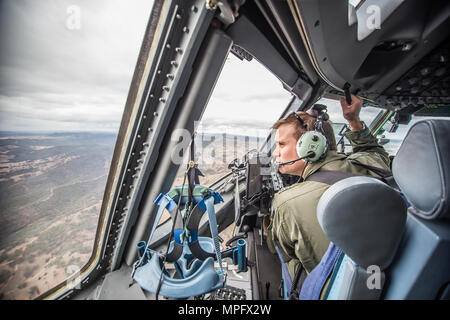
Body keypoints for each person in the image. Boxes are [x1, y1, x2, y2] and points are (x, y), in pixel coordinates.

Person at [266, 94, 391, 280]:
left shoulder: (287, 203)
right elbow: (374, 152)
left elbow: (279, 249)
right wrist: (353, 120)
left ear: (308, 146)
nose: (275, 153)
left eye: (281, 144)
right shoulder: (365, 165)